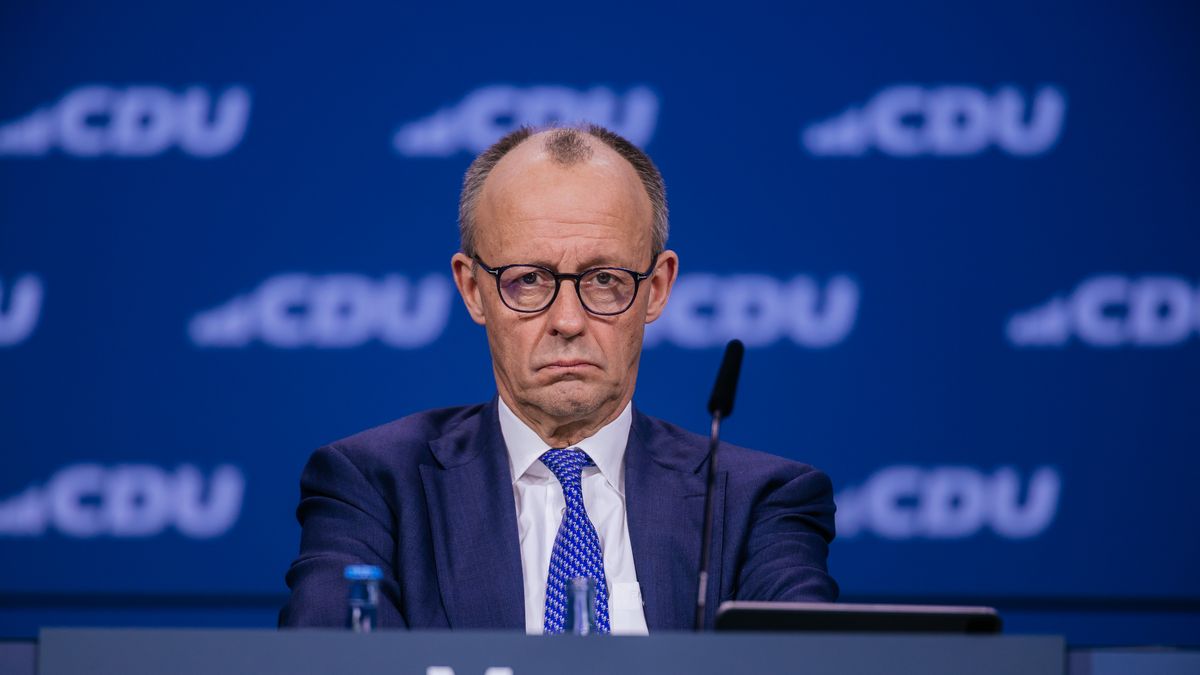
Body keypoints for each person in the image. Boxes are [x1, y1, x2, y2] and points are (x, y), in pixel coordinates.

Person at [279, 124, 837, 634]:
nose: (567, 321)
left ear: (658, 287)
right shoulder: (374, 487)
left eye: (604, 280)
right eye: (527, 280)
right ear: (473, 289)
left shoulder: (757, 502)